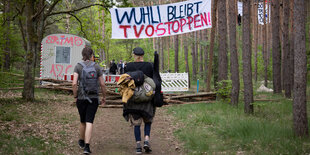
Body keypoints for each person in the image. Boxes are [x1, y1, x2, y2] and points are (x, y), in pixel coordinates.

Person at [72, 47, 106, 154]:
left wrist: (75, 96)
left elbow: (74, 83)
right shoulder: (97, 67)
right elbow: (102, 84)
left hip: (81, 98)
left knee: (82, 121)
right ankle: (87, 147)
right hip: (93, 98)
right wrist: (104, 97)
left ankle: (81, 141)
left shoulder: (78, 66)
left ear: (83, 55)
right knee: (89, 121)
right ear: (92, 55)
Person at [124, 47, 155, 154]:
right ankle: (146, 140)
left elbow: (125, 81)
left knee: (136, 123)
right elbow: (153, 81)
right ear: (142, 55)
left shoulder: (129, 66)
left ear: (134, 55)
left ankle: (138, 146)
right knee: (148, 121)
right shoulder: (149, 65)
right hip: (146, 99)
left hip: (133, 100)